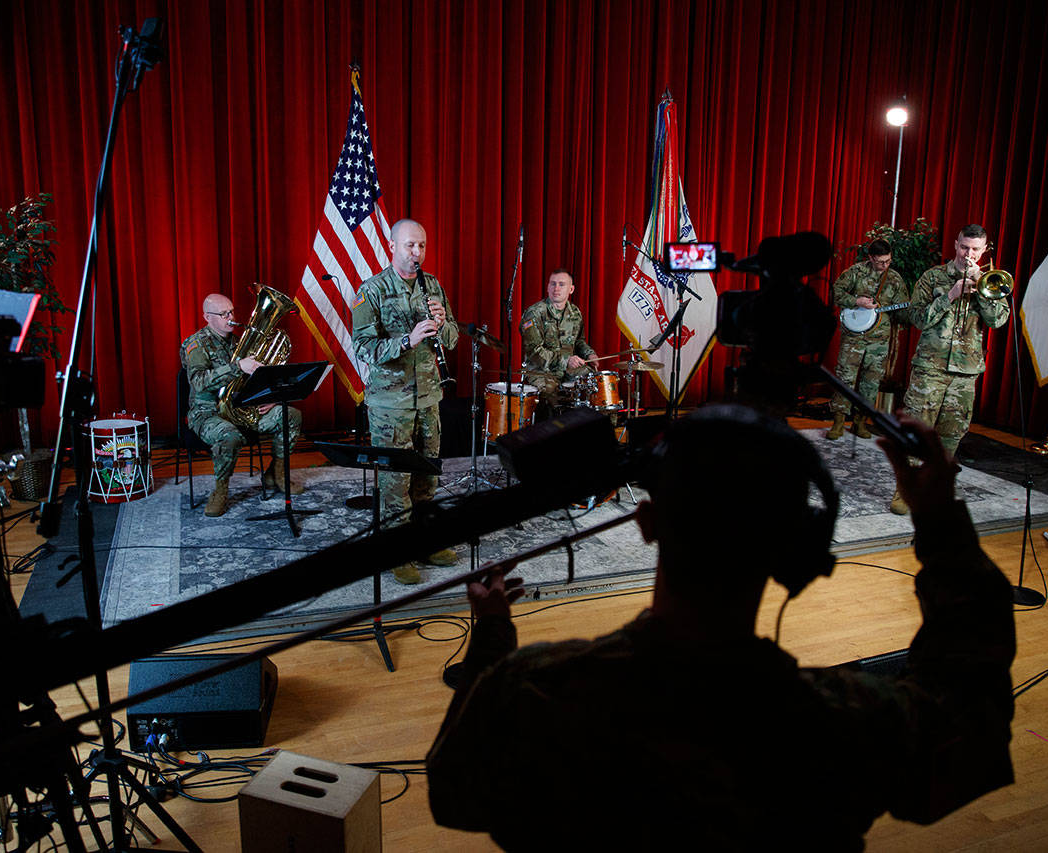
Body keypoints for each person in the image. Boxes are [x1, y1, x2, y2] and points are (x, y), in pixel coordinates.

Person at [426, 405, 1015, 850]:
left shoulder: (535, 690)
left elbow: (453, 793)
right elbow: (971, 716)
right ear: (797, 550)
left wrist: (494, 634)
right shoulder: (846, 722)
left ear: (649, 523)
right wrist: (938, 521)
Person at [351, 219, 460, 584]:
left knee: (427, 475)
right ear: (392, 246)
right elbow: (363, 348)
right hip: (390, 404)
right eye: (410, 245)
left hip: (429, 396)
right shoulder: (372, 291)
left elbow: (455, 337)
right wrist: (406, 340)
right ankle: (396, 551)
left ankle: (424, 542)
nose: (417, 253)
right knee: (395, 482)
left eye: (422, 246)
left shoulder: (433, 285)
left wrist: (443, 324)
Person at [892, 224, 1009, 514]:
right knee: (918, 431)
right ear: (955, 243)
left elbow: (998, 321)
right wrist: (951, 295)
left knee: (951, 434)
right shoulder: (933, 277)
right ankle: (904, 490)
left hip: (965, 372)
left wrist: (982, 289)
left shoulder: (990, 281)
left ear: (984, 251)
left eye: (975, 249)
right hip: (929, 367)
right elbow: (916, 318)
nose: (968, 254)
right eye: (963, 247)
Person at [180, 293, 304, 518]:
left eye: (232, 312)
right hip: (207, 412)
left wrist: (267, 397)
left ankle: (276, 473)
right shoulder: (196, 344)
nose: (231, 317)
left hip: (240, 408)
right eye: (223, 314)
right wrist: (238, 366)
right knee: (229, 436)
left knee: (290, 415)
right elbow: (198, 381)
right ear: (207, 317)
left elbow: (253, 380)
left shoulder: (238, 342)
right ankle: (220, 490)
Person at [827, 239, 907, 440]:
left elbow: (903, 310)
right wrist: (856, 301)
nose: (885, 266)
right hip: (854, 337)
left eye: (888, 261)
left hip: (879, 339)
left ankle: (860, 422)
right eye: (880, 262)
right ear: (870, 258)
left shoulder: (895, 279)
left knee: (871, 382)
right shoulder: (855, 272)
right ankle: (837, 422)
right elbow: (835, 293)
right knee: (845, 377)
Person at [520, 268, 599, 411]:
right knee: (551, 393)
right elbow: (535, 352)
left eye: (561, 284)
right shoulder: (535, 313)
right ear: (547, 287)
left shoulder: (575, 313)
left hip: (569, 369)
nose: (556, 288)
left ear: (571, 289)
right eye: (553, 284)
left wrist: (589, 354)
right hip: (541, 371)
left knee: (594, 383)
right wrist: (566, 360)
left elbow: (579, 341)